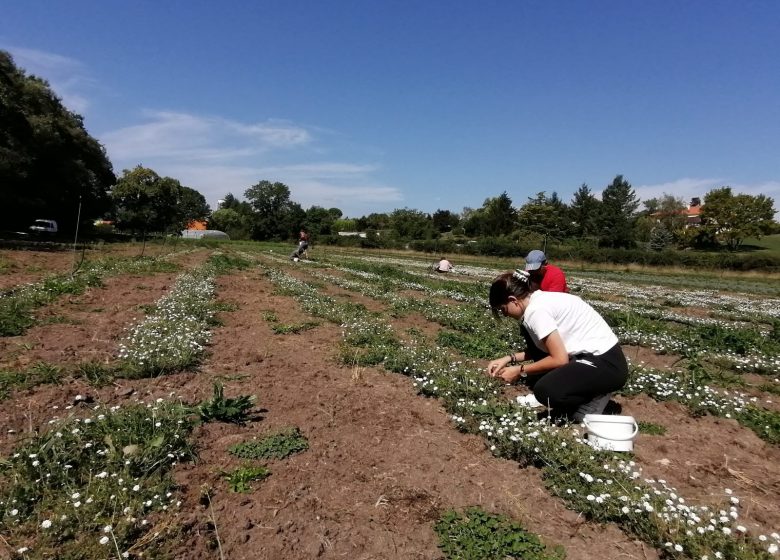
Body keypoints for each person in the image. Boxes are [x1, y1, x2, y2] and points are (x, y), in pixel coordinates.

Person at [485, 269, 628, 422]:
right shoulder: (539, 299)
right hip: (597, 359)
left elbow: (559, 359)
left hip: (606, 366)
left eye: (503, 310)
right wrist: (509, 358)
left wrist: (519, 370)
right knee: (529, 334)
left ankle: (596, 394)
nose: (506, 315)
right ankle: (584, 386)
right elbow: (543, 349)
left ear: (513, 300)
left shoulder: (535, 312)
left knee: (546, 391)